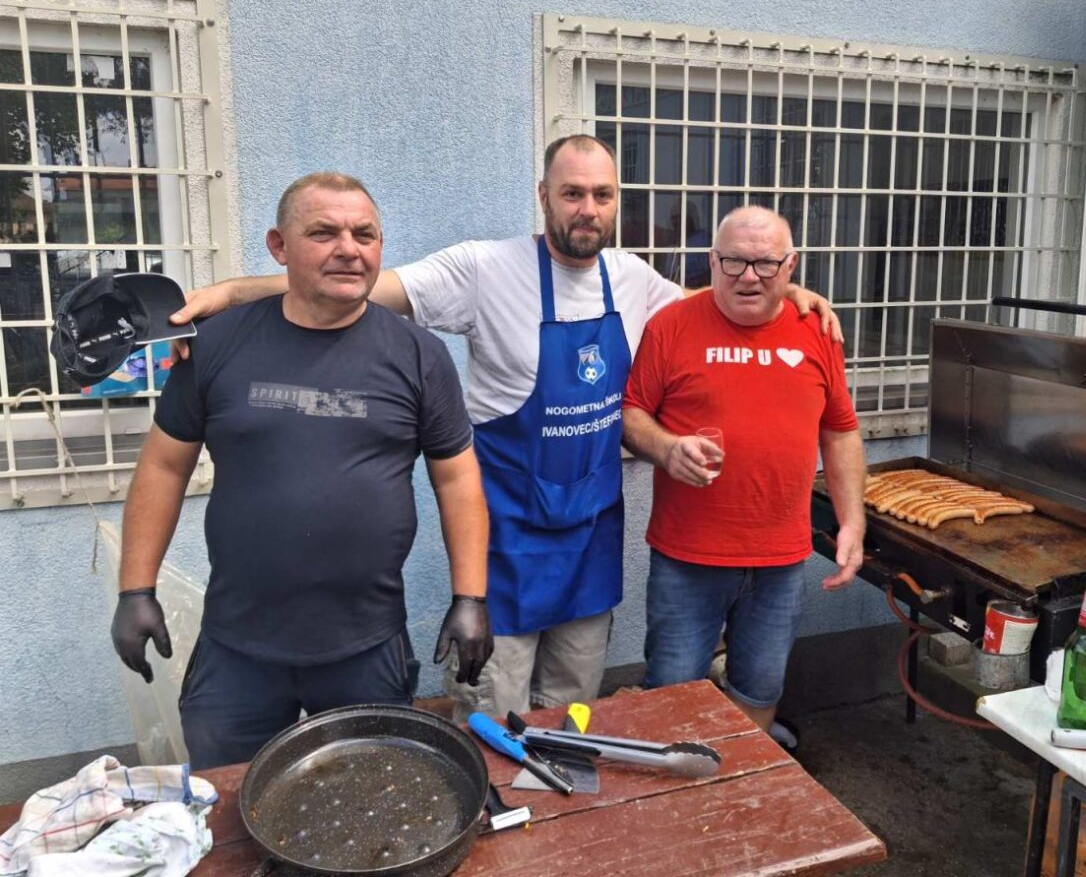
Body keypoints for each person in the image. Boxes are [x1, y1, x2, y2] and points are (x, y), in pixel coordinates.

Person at [169, 136, 843, 721]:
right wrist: (231, 294)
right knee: (495, 716)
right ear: (543, 195)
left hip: (588, 543)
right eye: (572, 192)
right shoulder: (485, 268)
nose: (588, 208)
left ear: (617, 201)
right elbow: (351, 285)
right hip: (507, 547)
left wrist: (796, 296)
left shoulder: (632, 279)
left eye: (603, 194)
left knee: (572, 711)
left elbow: (720, 300)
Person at [110, 172, 492, 768]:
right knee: (226, 808)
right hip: (237, 647)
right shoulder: (215, 347)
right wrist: (136, 589)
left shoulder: (420, 354)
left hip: (367, 646)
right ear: (279, 246)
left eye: (364, 234)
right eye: (324, 232)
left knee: (371, 802)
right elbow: (163, 466)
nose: (349, 247)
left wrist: (471, 596)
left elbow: (457, 478)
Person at [622, 206, 866, 731]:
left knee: (759, 689)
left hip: (780, 560)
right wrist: (666, 449)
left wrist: (852, 522)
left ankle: (741, 791)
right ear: (711, 261)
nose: (748, 276)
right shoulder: (669, 326)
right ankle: (680, 803)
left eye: (765, 263)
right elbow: (631, 414)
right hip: (687, 558)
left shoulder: (817, 331)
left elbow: (840, 429)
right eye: (733, 262)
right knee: (672, 692)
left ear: (791, 265)